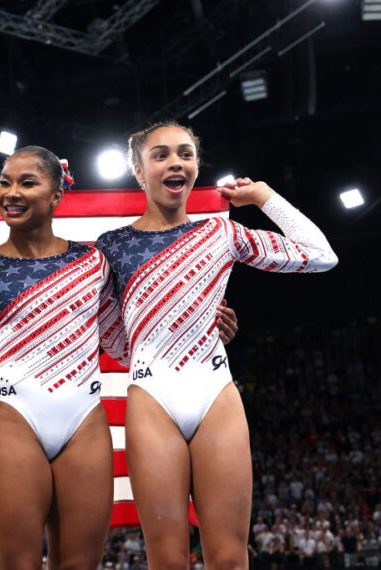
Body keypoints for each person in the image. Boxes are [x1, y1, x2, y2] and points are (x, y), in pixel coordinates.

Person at [96, 121, 337, 569]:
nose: (176, 163)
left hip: (215, 394)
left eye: (186, 154)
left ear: (197, 164)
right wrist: (167, 341)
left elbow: (322, 255)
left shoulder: (220, 234)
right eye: (161, 154)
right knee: (167, 560)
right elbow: (110, 334)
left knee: (228, 558)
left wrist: (263, 197)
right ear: (137, 169)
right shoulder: (112, 246)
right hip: (153, 397)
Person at [0, 146, 134, 569]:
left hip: (85, 421)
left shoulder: (92, 262)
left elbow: (124, 346)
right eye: (5, 181)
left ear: (57, 194)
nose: (11, 192)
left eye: (27, 182)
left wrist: (204, 327)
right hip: (13, 417)